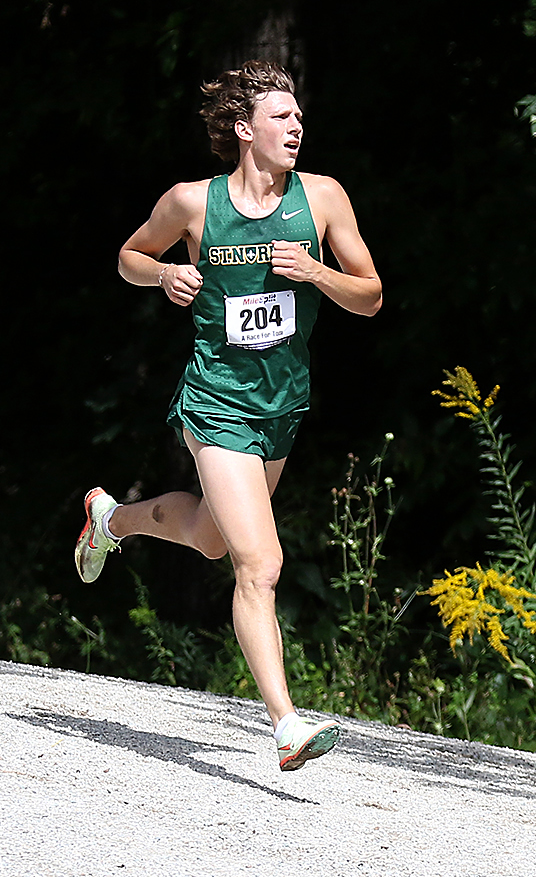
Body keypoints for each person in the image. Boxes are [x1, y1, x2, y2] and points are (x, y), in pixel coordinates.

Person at [73, 59, 383, 771]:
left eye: (299, 116)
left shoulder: (324, 198)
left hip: (281, 410)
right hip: (216, 406)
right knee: (259, 564)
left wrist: (315, 272)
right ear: (245, 130)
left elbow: (368, 295)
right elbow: (128, 256)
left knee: (213, 541)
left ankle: (110, 521)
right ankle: (284, 724)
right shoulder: (191, 203)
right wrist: (165, 273)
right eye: (282, 117)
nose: (296, 126)